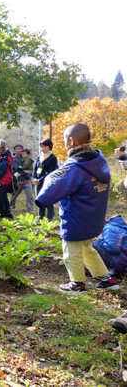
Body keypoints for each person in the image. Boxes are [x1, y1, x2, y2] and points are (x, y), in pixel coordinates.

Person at [36, 122, 118, 293]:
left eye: (65, 140)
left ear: (71, 141)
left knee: (70, 251)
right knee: (88, 249)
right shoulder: (99, 161)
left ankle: (77, 284)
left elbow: (55, 183)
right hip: (93, 217)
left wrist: (42, 198)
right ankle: (106, 278)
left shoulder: (74, 167)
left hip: (75, 218)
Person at [32, 138, 58, 220]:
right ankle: (40, 218)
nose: (42, 149)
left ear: (49, 147)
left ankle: (50, 219)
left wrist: (40, 180)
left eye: (45, 147)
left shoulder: (53, 158)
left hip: (47, 182)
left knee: (48, 200)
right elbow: (35, 169)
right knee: (40, 200)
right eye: (41, 147)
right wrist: (34, 178)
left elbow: (51, 172)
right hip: (38, 182)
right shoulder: (39, 157)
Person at [10, 147, 34, 213]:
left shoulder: (28, 159)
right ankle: (11, 205)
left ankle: (30, 209)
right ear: (14, 150)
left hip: (27, 180)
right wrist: (25, 173)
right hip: (19, 180)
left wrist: (27, 173)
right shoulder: (15, 159)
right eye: (17, 149)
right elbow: (17, 169)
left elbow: (30, 169)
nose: (19, 150)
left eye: (20, 149)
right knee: (16, 193)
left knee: (30, 195)